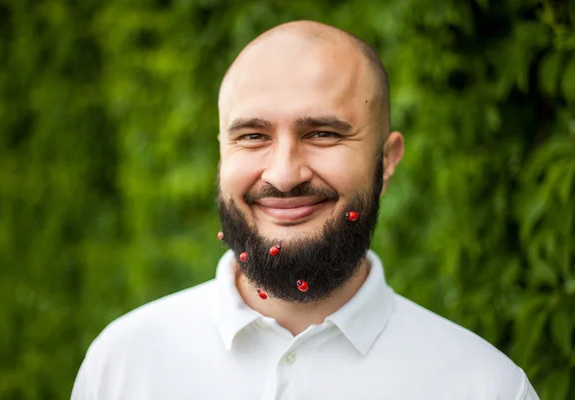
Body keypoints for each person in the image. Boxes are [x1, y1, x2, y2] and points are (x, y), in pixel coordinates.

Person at [71, 20, 539, 399]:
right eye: (252, 136)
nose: (283, 174)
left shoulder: (486, 386)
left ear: (387, 159)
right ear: (221, 153)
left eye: (323, 134)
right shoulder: (123, 363)